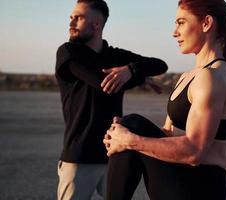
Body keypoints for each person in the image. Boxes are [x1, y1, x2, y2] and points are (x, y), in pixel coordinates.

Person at [104, 0, 226, 199]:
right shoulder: (190, 76)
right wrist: (120, 137)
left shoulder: (212, 77)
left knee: (132, 126)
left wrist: (131, 141)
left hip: (202, 188)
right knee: (127, 125)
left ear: (206, 23)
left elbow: (195, 152)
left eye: (181, 22)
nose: (174, 32)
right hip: (183, 179)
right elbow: (168, 134)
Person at [55, 0, 168, 199]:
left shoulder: (115, 56)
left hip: (114, 149)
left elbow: (160, 64)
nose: (71, 22)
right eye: (71, 17)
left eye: (78, 18)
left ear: (96, 24)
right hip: (80, 156)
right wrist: (137, 78)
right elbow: (104, 83)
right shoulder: (69, 53)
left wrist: (130, 70)